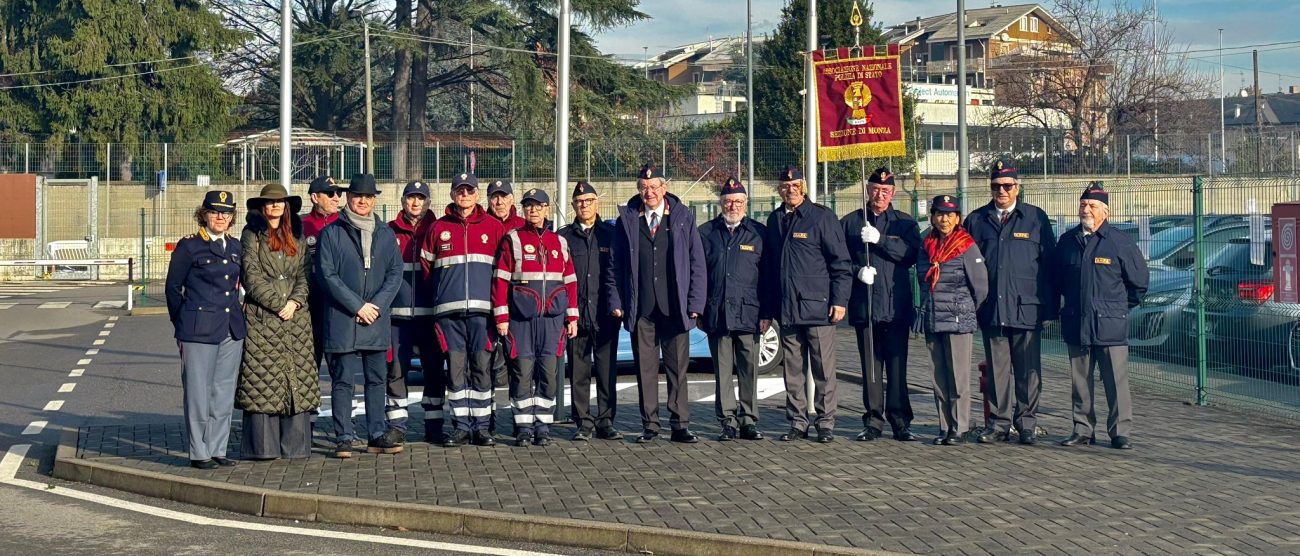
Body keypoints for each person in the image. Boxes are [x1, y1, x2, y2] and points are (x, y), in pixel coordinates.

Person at [604, 164, 707, 444]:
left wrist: (695, 302)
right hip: (642, 309)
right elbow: (614, 266)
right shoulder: (628, 220)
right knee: (645, 370)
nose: (648, 192)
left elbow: (697, 263)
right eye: (643, 187)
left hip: (675, 307)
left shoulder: (683, 218)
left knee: (677, 370)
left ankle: (679, 424)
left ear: (664, 188)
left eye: (653, 187)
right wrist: (617, 300)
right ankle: (650, 425)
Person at [964, 160, 1057, 445]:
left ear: (1018, 187)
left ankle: (1026, 423)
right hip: (992, 308)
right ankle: (999, 423)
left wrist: (1049, 308)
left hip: (1025, 308)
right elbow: (966, 266)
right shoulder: (977, 220)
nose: (1001, 191)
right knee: (997, 370)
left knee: (1028, 371)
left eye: (1007, 186)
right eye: (995, 186)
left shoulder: (1035, 219)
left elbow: (1049, 266)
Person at [1052, 183, 1148, 450]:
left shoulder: (1119, 242)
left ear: (1105, 211)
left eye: (1092, 205)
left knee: (1116, 382)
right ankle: (1082, 429)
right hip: (1076, 322)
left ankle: (1120, 432)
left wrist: (1117, 309)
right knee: (1080, 381)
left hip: (1110, 326)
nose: (1086, 209)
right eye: (1083, 204)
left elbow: (1139, 283)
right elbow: (1057, 281)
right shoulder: (1067, 241)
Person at [316, 174, 406, 458]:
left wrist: (376, 305)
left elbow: (395, 273)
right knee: (342, 381)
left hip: (376, 318)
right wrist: (357, 306)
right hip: (343, 317)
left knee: (376, 379)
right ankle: (344, 436)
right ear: (348, 198)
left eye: (368, 197)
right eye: (357, 196)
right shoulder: (331, 233)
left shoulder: (385, 233)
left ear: (374, 200)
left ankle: (376, 434)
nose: (363, 201)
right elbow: (327, 275)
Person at [765, 166, 852, 443]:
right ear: (779, 188)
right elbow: (769, 268)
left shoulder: (821, 217)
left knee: (823, 370)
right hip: (788, 308)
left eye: (795, 186)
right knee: (792, 370)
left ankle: (825, 422)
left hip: (818, 307)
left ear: (803, 187)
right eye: (785, 185)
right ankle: (798, 421)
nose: (789, 190)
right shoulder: (775, 219)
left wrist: (839, 301)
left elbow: (840, 263)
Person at [420, 172, 506, 447]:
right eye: (460, 190)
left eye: (469, 191)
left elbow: (503, 271)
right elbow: (426, 269)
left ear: (478, 194)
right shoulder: (438, 228)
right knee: (456, 372)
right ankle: (460, 427)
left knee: (481, 369)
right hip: (449, 315)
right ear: (452, 194)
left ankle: (481, 428)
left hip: (484, 314)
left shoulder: (493, 227)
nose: (465, 195)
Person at [236, 184, 319, 460]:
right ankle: (263, 448)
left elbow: (306, 274)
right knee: (262, 381)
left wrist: (295, 302)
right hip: (263, 320)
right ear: (262, 206)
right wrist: (278, 303)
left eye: (280, 202)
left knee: (298, 379)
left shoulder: (297, 234)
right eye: (270, 202)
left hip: (296, 319)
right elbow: (251, 276)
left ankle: (296, 446)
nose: (275, 206)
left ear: (287, 206)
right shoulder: (252, 236)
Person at [840, 167, 923, 442]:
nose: (880, 195)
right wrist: (857, 271)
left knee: (898, 368)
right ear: (867, 190)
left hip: (896, 307)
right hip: (866, 306)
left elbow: (913, 255)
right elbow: (838, 260)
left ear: (893, 193)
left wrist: (881, 240)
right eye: (875, 189)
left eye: (885, 191)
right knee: (871, 369)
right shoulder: (851, 222)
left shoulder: (904, 223)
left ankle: (901, 422)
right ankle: (873, 421)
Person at [164, 190, 246, 469]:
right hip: (197, 329)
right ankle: (200, 452)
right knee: (198, 393)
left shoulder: (235, 247)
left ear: (232, 217)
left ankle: (218, 448)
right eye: (214, 212)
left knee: (223, 392)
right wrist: (182, 323)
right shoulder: (189, 247)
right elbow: (173, 289)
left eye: (226, 212)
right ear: (204, 214)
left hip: (230, 329)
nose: (220, 217)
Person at [492, 188, 579, 446]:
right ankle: (523, 427)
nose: (533, 210)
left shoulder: (559, 242)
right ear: (523, 209)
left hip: (552, 321)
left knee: (549, 374)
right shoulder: (512, 240)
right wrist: (501, 317)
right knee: (522, 373)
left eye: (538, 206)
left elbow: (570, 280)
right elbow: (500, 281)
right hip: (521, 320)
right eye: (528, 205)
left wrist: (572, 316)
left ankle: (543, 426)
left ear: (546, 209)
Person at [699, 177, 771, 441]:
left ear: (746, 204)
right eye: (728, 201)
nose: (733, 206)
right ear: (720, 204)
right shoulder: (706, 233)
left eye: (738, 201)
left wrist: (766, 313)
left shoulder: (759, 234)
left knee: (748, 369)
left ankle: (749, 419)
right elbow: (700, 275)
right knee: (722, 372)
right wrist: (699, 310)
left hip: (749, 314)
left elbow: (767, 277)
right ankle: (727, 420)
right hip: (717, 313)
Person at [916, 195, 988, 446]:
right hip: (933, 317)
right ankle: (944, 426)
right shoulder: (926, 245)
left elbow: (980, 286)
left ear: (958, 218)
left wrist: (964, 308)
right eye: (939, 214)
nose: (943, 219)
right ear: (932, 217)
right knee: (939, 377)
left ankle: (960, 426)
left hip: (957, 320)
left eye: (949, 214)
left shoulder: (966, 245)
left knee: (958, 377)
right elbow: (922, 281)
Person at [558, 181, 624, 441]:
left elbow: (618, 273)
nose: (583, 206)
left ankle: (606, 421)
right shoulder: (564, 237)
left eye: (588, 201)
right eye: (579, 202)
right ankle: (583, 421)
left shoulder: (611, 235)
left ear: (597, 203)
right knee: (578, 371)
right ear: (573, 205)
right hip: (576, 314)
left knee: (607, 370)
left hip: (605, 313)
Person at [388, 180, 446, 444]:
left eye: (420, 198)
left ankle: (434, 426)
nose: (415, 203)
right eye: (411, 198)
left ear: (428, 203)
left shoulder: (438, 230)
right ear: (403, 201)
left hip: (431, 316)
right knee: (396, 370)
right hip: (398, 318)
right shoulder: (388, 232)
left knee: (434, 371)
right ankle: (397, 427)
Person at [484, 179, 524, 435]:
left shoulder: (522, 226)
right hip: (484, 307)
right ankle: (486, 422)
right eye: (494, 197)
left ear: (512, 199)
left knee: (519, 366)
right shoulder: (480, 224)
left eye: (504, 196)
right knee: (483, 367)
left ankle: (521, 423)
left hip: (517, 309)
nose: (499, 202)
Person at [302, 176, 343, 369]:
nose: (336, 198)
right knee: (310, 361)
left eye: (339, 193)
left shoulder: (347, 224)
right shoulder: (300, 225)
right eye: (330, 193)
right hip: (311, 302)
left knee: (341, 366)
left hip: (340, 302)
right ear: (314, 197)